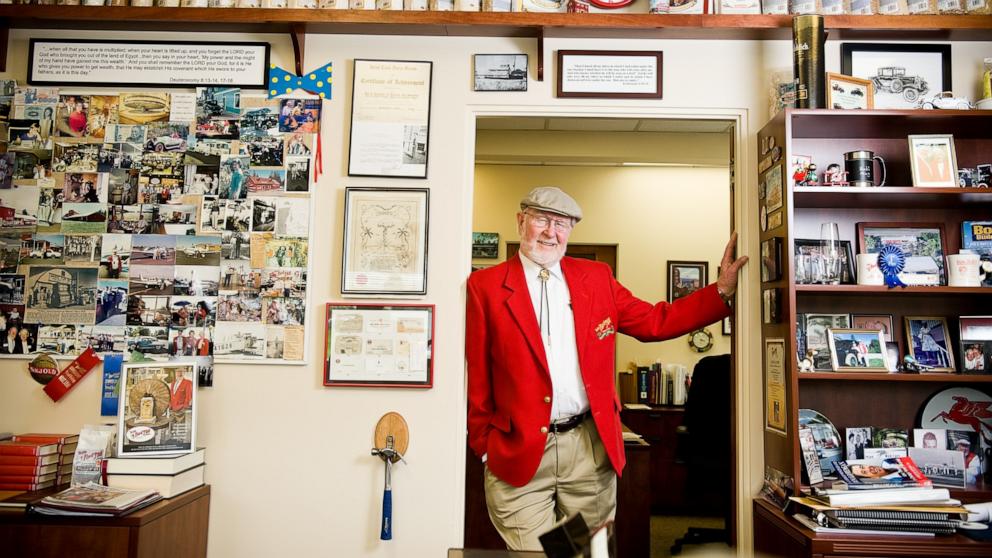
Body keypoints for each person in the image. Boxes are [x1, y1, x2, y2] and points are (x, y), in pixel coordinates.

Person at [465, 187, 746, 551]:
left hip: (588, 448)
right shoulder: (484, 286)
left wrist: (720, 292)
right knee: (536, 551)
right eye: (541, 220)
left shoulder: (596, 278)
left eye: (562, 223)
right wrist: (484, 444)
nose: (551, 231)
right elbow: (478, 372)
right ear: (521, 222)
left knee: (587, 550)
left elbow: (653, 321)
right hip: (519, 451)